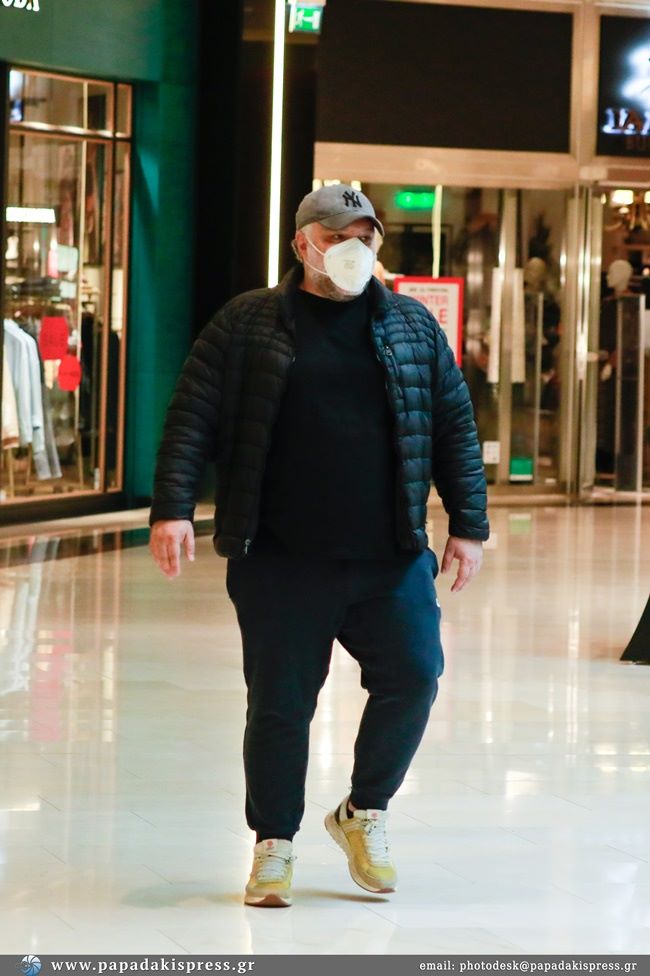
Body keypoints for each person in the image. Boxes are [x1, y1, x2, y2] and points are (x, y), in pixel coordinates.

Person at [148, 184, 489, 909]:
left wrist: (469, 523)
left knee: (415, 676)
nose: (353, 249)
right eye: (337, 237)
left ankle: (364, 811)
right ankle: (274, 843)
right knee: (281, 705)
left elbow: (454, 424)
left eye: (365, 237)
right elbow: (191, 416)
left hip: (389, 555)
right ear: (302, 243)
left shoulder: (411, 325)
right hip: (280, 557)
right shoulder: (246, 322)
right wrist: (173, 508)